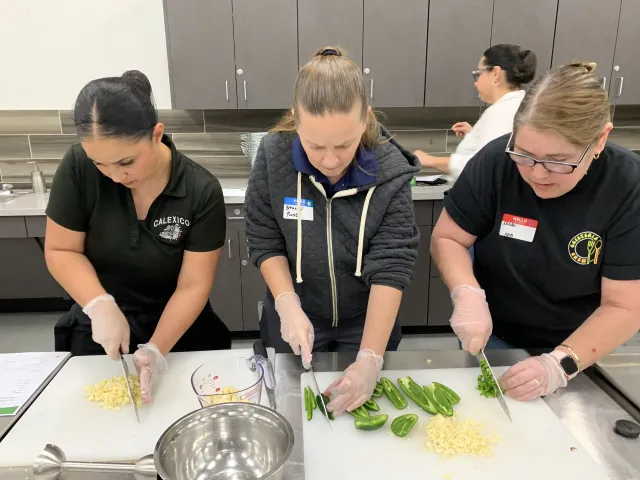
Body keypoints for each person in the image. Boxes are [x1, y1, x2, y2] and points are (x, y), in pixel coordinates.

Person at [431, 62, 640, 402]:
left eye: (559, 161)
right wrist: (467, 293)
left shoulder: (627, 186)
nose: (538, 174)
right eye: (525, 155)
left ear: (600, 139)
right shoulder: (496, 161)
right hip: (492, 331)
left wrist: (558, 365)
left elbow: (625, 306)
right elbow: (449, 237)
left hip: (578, 345)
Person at [245, 47, 420, 416]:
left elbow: (392, 263)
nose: (329, 160)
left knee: (367, 411)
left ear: (364, 120)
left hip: (366, 320)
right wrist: (286, 303)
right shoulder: (273, 155)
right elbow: (264, 237)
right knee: (293, 411)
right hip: (295, 315)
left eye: (343, 144)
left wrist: (371, 356)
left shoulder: (390, 170)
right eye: (314, 145)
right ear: (295, 121)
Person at [45, 70, 231, 403]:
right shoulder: (77, 167)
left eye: (126, 162)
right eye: (100, 164)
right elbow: (61, 249)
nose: (115, 176)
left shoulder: (200, 190)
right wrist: (99, 305)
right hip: (100, 327)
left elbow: (193, 286)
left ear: (156, 134)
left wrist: (157, 349)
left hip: (177, 326)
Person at [415, 44, 537, 179]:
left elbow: (481, 166)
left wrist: (430, 160)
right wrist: (474, 135)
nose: (476, 83)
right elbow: (494, 149)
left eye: (478, 74)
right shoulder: (520, 106)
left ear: (496, 74)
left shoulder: (501, 113)